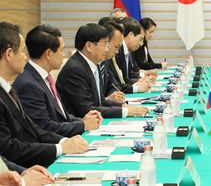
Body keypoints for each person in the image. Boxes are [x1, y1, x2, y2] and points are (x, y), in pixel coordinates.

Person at [0, 22, 87, 168]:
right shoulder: (24, 83)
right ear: (9, 54)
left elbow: (33, 128)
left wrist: (63, 142)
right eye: (22, 52)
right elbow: (9, 148)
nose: (26, 57)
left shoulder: (8, 88)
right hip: (23, 167)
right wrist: (61, 148)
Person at [12, 24, 102, 137]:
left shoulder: (44, 77)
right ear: (49, 53)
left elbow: (60, 115)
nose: (63, 54)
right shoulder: (29, 84)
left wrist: (82, 120)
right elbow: (44, 127)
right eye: (62, 50)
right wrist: (83, 125)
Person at [56, 23, 149, 118]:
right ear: (89, 46)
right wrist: (125, 111)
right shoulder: (75, 69)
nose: (107, 49)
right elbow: (88, 110)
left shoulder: (93, 64)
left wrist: (125, 107)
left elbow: (100, 102)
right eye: (104, 44)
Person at [99, 19, 150, 98]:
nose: (116, 52)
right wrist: (137, 87)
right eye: (140, 39)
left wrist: (139, 79)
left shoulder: (125, 51)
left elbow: (116, 85)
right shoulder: (113, 55)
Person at [109, 18, 155, 93]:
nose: (140, 44)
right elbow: (120, 82)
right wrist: (137, 86)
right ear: (130, 35)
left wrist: (142, 77)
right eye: (140, 39)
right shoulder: (117, 51)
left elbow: (130, 74)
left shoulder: (128, 50)